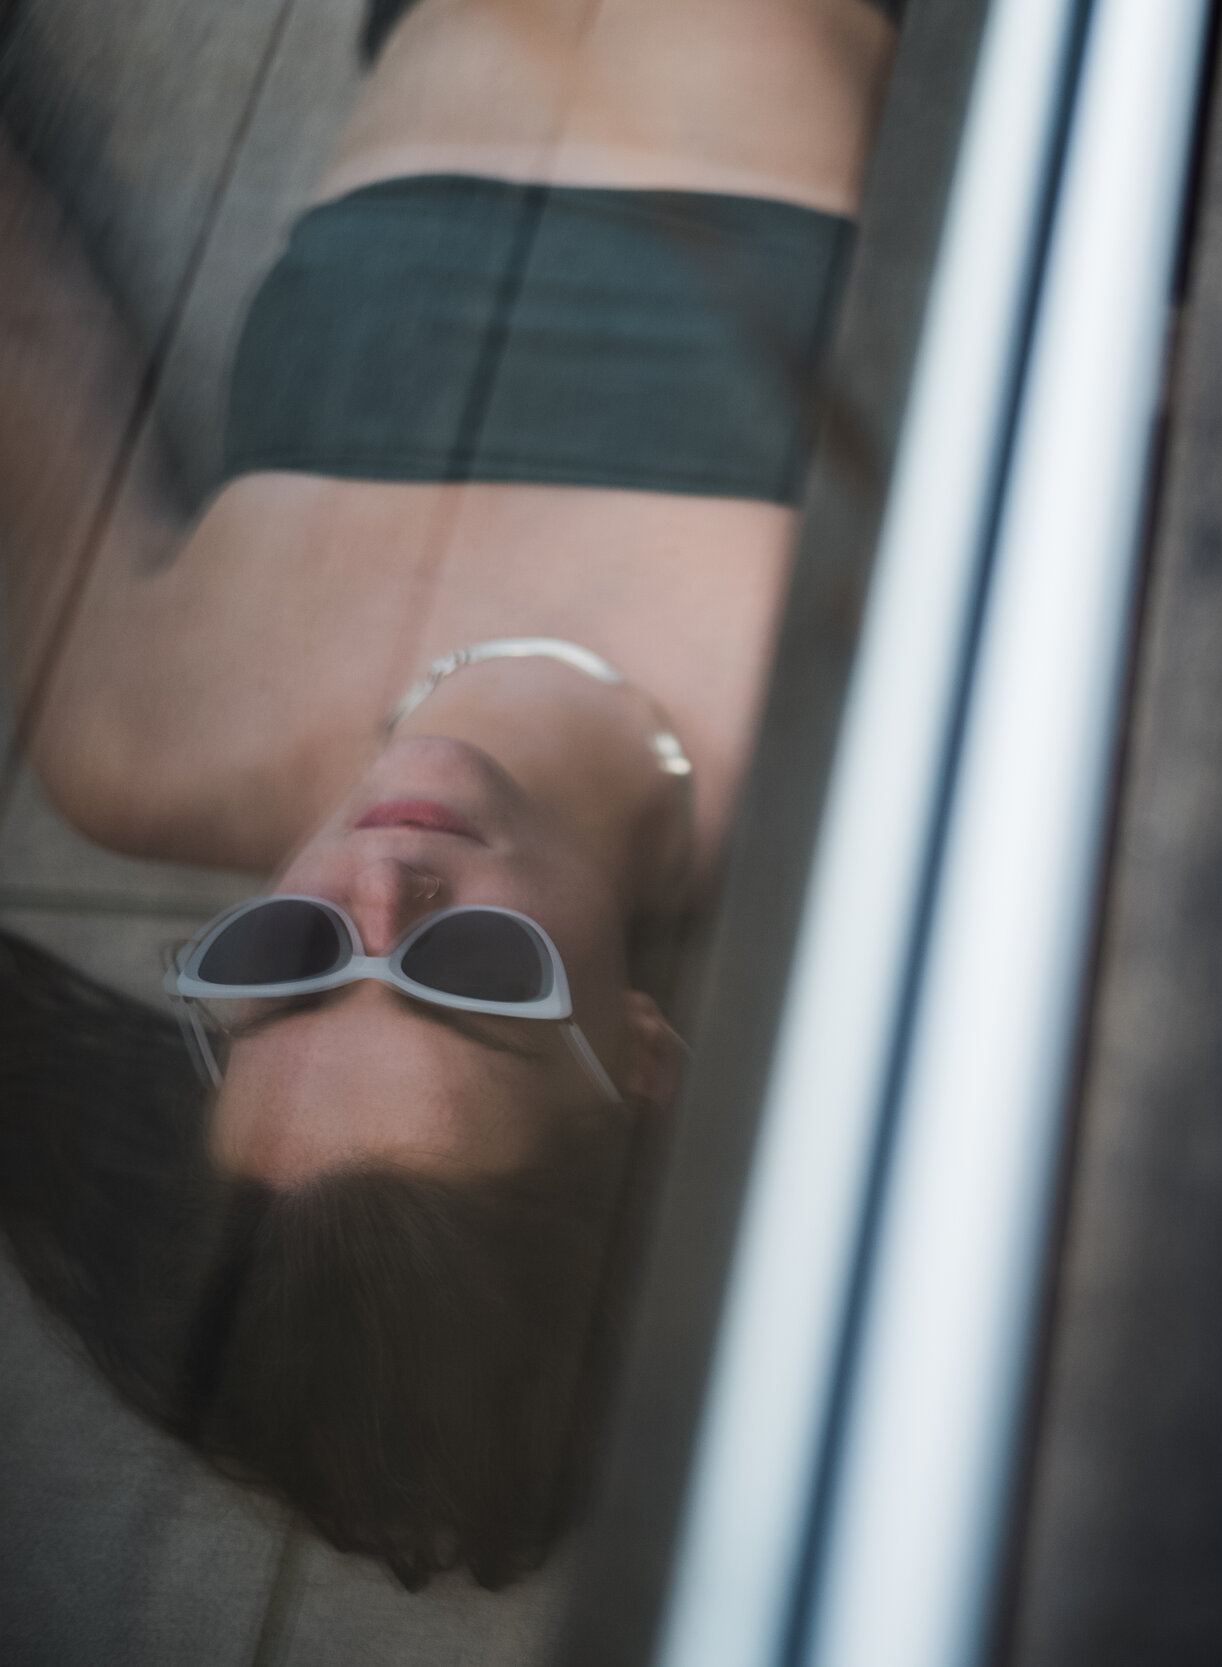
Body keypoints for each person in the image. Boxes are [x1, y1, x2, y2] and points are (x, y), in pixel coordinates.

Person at [0, 0, 893, 1587]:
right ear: (638, 1049)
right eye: (469, 980)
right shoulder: (848, 718)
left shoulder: (150, 731)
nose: (374, 895)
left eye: (287, 971)